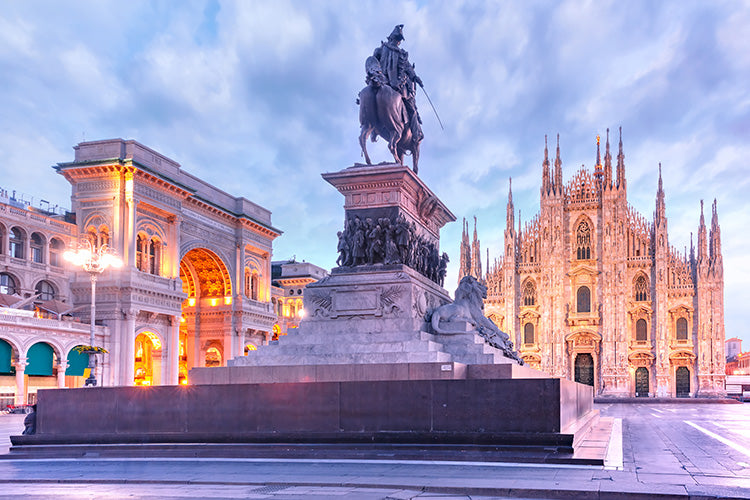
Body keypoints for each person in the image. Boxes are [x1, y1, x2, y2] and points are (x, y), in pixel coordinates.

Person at [371, 25, 424, 142]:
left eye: (399, 39)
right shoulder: (401, 54)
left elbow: (373, 65)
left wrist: (415, 77)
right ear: (394, 38)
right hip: (396, 85)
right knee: (412, 107)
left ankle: (373, 129)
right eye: (398, 39)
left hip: (381, 81)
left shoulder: (379, 50)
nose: (398, 41)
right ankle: (416, 134)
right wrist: (415, 77)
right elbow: (409, 68)